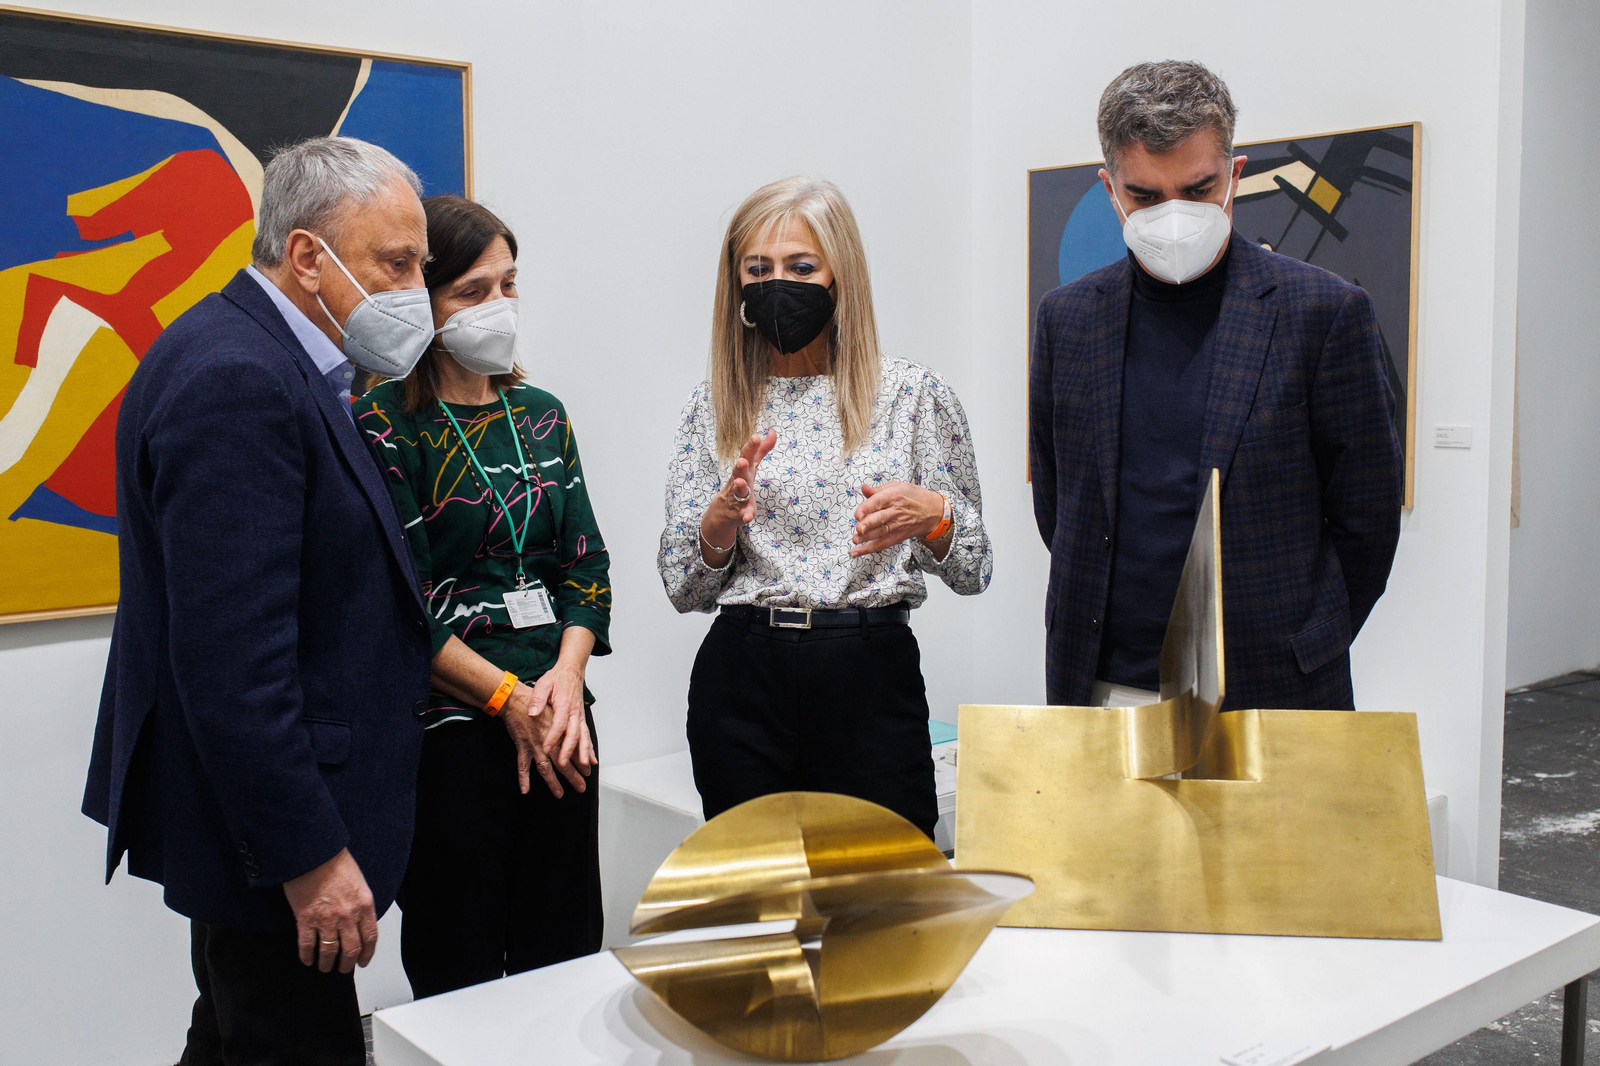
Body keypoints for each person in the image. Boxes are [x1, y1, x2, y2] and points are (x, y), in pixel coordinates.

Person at [82, 137, 436, 1066]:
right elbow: (235, 664)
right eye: (392, 264)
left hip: (265, 829)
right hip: (275, 846)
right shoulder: (240, 379)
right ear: (307, 257)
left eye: (420, 267)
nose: (414, 293)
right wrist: (311, 859)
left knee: (236, 1035)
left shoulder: (262, 354)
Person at [1029, 61, 1403, 712]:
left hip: (1274, 690)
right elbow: (1061, 506)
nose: (1173, 215)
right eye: (1145, 195)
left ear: (1234, 175)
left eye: (1197, 188)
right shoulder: (1067, 320)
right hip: (1102, 686)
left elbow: (1367, 520)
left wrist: (1311, 640)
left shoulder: (1323, 312)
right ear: (1109, 188)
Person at [658, 176, 992, 839]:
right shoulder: (716, 404)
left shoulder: (911, 395)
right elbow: (681, 587)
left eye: (800, 267)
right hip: (741, 679)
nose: (777, 283)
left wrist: (935, 514)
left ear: (840, 277)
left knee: (886, 904)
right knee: (756, 903)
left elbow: (975, 569)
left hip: (867, 675)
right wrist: (718, 526)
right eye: (759, 269)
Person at [357, 195, 611, 998]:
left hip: (562, 717)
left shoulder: (541, 416)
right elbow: (402, 607)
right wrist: (507, 699)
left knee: (565, 949)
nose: (498, 306)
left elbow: (587, 569)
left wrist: (565, 684)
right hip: (452, 730)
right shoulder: (382, 424)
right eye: (473, 292)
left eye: (508, 285)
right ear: (423, 303)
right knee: (458, 964)